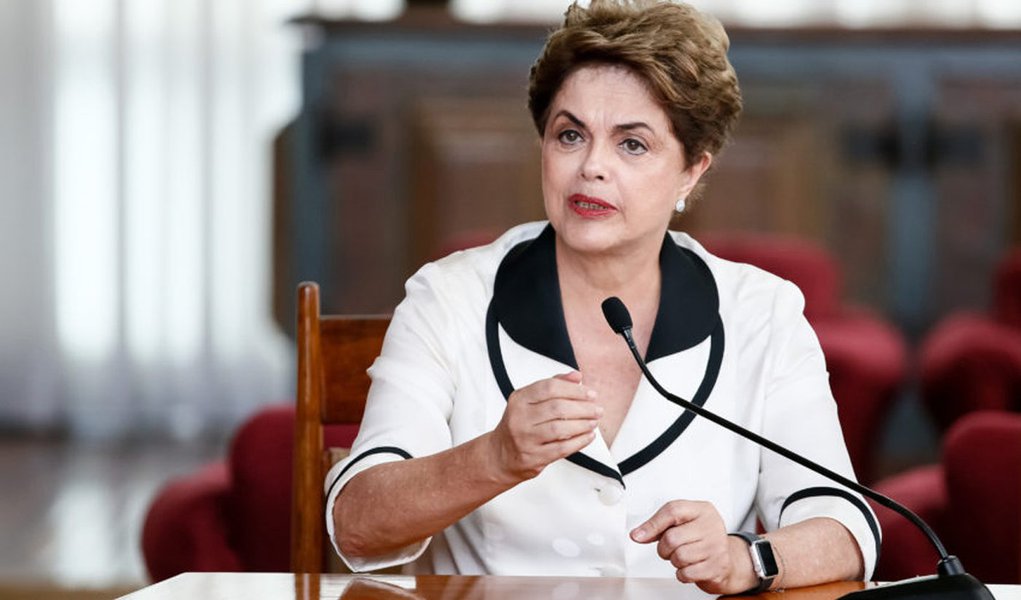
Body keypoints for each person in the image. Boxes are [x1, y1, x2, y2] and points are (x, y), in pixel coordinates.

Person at [325, 0, 879, 594]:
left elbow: (845, 527)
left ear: (692, 170)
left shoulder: (762, 313)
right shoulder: (449, 297)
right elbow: (356, 523)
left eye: (632, 144)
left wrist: (747, 559)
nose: (591, 167)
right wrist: (493, 457)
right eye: (570, 135)